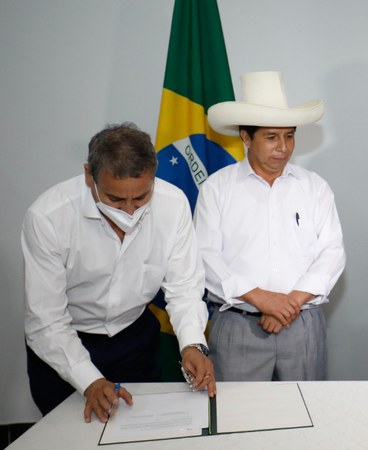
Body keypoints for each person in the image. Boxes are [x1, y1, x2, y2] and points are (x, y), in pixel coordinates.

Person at [22, 122, 215, 423]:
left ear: (153, 175)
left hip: (134, 340)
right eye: (115, 199)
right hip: (65, 343)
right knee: (68, 443)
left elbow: (184, 287)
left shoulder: (173, 204)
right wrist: (89, 380)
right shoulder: (49, 217)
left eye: (140, 198)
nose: (128, 211)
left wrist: (191, 343)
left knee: (140, 437)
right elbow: (46, 320)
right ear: (90, 176)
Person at [197, 71, 345, 381]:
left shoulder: (314, 187)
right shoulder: (217, 189)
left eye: (289, 136)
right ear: (246, 137)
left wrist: (288, 304)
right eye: (271, 137)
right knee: (238, 420)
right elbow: (205, 257)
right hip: (238, 326)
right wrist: (260, 298)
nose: (283, 147)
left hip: (302, 324)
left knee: (307, 416)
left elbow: (332, 252)